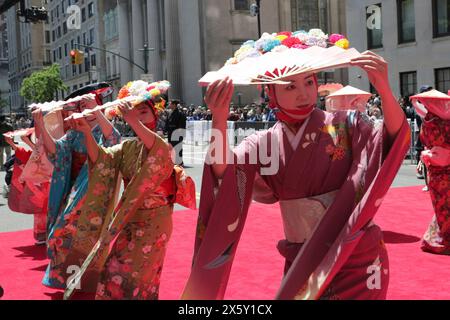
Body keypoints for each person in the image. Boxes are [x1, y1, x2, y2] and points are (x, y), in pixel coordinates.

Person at [183, 31, 410, 300]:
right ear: (271, 93)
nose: (303, 93)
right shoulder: (264, 141)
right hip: (300, 257)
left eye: (309, 83)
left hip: (354, 252)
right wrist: (218, 119)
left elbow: (393, 139)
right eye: (290, 86)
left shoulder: (346, 124)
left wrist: (383, 88)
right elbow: (224, 173)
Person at [64, 80, 196, 300]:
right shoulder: (128, 147)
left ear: (155, 115)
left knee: (134, 277)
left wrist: (133, 122)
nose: (138, 117)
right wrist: (87, 132)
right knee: (112, 272)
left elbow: (158, 151)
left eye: (144, 112)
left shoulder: (160, 145)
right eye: (135, 113)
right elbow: (102, 161)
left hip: (155, 221)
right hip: (129, 218)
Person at [36, 87, 121, 290]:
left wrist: (96, 111)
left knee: (88, 235)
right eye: (82, 105)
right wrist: (40, 122)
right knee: (64, 232)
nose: (85, 107)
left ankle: (89, 278)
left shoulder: (104, 128)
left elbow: (114, 140)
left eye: (90, 103)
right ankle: (63, 278)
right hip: (74, 190)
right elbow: (57, 151)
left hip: (94, 191)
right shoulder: (74, 133)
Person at [411, 90, 450, 255]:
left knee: (442, 205)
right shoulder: (437, 121)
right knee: (443, 205)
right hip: (438, 168)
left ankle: (439, 236)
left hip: (436, 168)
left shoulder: (429, 120)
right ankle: (442, 237)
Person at [166, 100, 187, 166]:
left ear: (174, 105)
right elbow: (167, 122)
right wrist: (166, 130)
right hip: (170, 133)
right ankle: (173, 161)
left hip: (177, 133)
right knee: (171, 147)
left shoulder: (180, 113)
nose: (169, 105)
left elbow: (182, 124)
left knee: (178, 147)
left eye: (170, 104)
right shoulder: (170, 113)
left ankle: (180, 162)